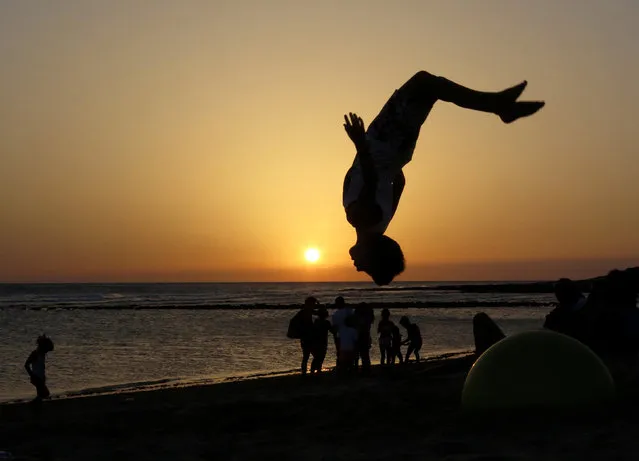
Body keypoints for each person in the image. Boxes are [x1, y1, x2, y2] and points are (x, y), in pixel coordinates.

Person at [343, 71, 545, 285]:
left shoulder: (381, 223)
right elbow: (373, 181)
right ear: (374, 256)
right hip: (385, 141)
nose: (357, 267)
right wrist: (361, 145)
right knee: (425, 83)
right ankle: (498, 105)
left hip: (395, 149)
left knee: (429, 87)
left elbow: (398, 184)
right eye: (366, 267)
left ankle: (498, 104)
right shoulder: (360, 218)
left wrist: (391, 165)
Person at [24, 335, 54, 408]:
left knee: (41, 394)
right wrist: (32, 375)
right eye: (46, 349)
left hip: (41, 377)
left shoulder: (42, 354)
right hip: (36, 377)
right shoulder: (35, 353)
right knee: (45, 393)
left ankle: (36, 407)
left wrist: (43, 376)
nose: (47, 352)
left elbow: (41, 366)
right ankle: (31, 405)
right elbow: (26, 365)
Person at [331, 296, 354, 364]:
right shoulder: (349, 311)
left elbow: (335, 328)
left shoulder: (335, 314)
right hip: (349, 335)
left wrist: (335, 338)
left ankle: (341, 367)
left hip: (340, 336)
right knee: (349, 353)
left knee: (340, 353)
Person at [310, 307, 332, 374]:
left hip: (315, 342)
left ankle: (313, 372)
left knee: (316, 358)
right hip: (322, 343)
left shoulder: (316, 322)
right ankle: (317, 372)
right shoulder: (326, 323)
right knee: (320, 358)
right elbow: (332, 330)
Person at [353, 305, 374, 373]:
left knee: (359, 355)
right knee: (364, 355)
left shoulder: (362, 320)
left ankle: (360, 369)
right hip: (364, 337)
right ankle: (365, 369)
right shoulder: (368, 319)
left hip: (361, 337)